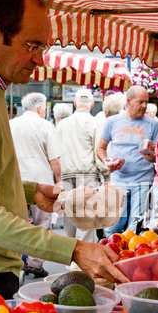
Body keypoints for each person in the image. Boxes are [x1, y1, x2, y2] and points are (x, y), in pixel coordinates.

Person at [0, 0, 128, 313]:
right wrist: (73, 249)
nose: (40, 58)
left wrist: (30, 191)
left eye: (43, 46)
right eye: (31, 45)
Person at [10, 92, 64, 278]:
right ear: (40, 108)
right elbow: (54, 159)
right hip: (41, 183)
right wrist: (59, 181)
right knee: (42, 224)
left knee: (17, 223)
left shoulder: (10, 124)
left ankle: (19, 262)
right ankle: (35, 264)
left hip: (14, 181)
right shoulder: (45, 125)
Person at [97, 85, 158, 236]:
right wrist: (106, 161)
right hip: (118, 182)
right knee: (113, 227)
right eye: (140, 102)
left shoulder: (153, 124)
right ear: (128, 101)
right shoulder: (112, 122)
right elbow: (100, 148)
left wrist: (153, 158)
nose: (144, 106)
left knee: (136, 227)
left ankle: (130, 257)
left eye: (146, 102)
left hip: (143, 182)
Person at [55, 88, 103, 243]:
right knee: (87, 215)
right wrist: (106, 175)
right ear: (92, 104)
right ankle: (83, 254)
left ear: (75, 103)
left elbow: (55, 152)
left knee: (69, 213)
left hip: (66, 174)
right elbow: (98, 151)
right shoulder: (95, 122)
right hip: (88, 175)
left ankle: (71, 250)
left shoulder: (62, 125)